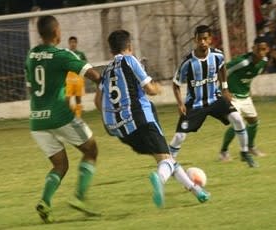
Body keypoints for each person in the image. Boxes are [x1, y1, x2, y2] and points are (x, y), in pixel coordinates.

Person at [94, 29, 210, 208]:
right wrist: (158, 88)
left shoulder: (106, 70)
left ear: (111, 51)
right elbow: (149, 89)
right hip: (140, 119)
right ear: (130, 46)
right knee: (165, 160)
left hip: (121, 130)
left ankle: (197, 192)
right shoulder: (130, 60)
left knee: (166, 158)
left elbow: (97, 101)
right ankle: (159, 178)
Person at [24, 15, 101, 224]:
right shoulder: (61, 54)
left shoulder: (31, 55)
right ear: (57, 31)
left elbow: (31, 86)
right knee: (91, 150)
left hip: (37, 122)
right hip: (60, 116)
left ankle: (45, 202)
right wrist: (106, 81)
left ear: (40, 34)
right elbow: (91, 74)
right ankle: (79, 198)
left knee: (60, 165)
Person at [168, 25, 257, 168]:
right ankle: (168, 163)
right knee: (179, 136)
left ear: (210, 39)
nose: (202, 42)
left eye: (205, 39)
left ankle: (244, 152)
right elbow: (175, 84)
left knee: (237, 119)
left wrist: (225, 88)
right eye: (199, 39)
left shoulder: (217, 55)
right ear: (195, 40)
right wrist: (180, 104)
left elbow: (222, 67)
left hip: (215, 99)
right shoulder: (188, 62)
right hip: (195, 104)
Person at [219, 36, 270, 160]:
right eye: (258, 49)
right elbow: (222, 70)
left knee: (253, 121)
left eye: (263, 49)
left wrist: (246, 90)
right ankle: (223, 152)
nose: (260, 52)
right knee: (237, 123)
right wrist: (224, 90)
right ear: (253, 48)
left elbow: (247, 77)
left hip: (245, 97)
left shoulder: (263, 62)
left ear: (267, 49)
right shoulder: (242, 61)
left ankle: (250, 147)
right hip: (232, 96)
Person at [66, 36, 88, 118]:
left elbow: (85, 65)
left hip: (78, 79)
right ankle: (69, 115)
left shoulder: (81, 54)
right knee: (67, 99)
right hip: (69, 79)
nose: (73, 44)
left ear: (76, 43)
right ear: (69, 44)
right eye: (71, 42)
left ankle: (78, 117)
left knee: (78, 98)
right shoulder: (66, 54)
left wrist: (85, 76)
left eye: (74, 42)